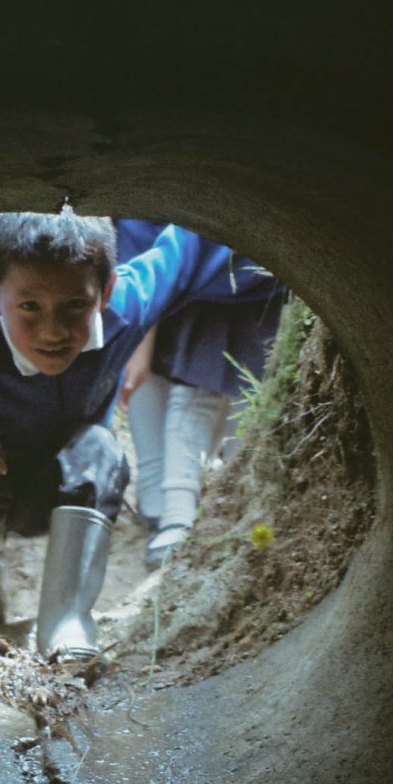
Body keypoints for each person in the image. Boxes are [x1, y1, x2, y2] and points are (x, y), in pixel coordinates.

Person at [0, 210, 276, 659]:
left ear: (105, 293)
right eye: (28, 307)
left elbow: (187, 249)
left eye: (74, 307)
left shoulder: (127, 309)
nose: (53, 332)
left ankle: (65, 622)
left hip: (59, 494)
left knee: (101, 448)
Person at [115, 219, 286, 566]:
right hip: (194, 286)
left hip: (244, 286)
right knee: (195, 395)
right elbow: (138, 249)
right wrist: (139, 341)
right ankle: (172, 511)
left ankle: (221, 507)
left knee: (244, 403)